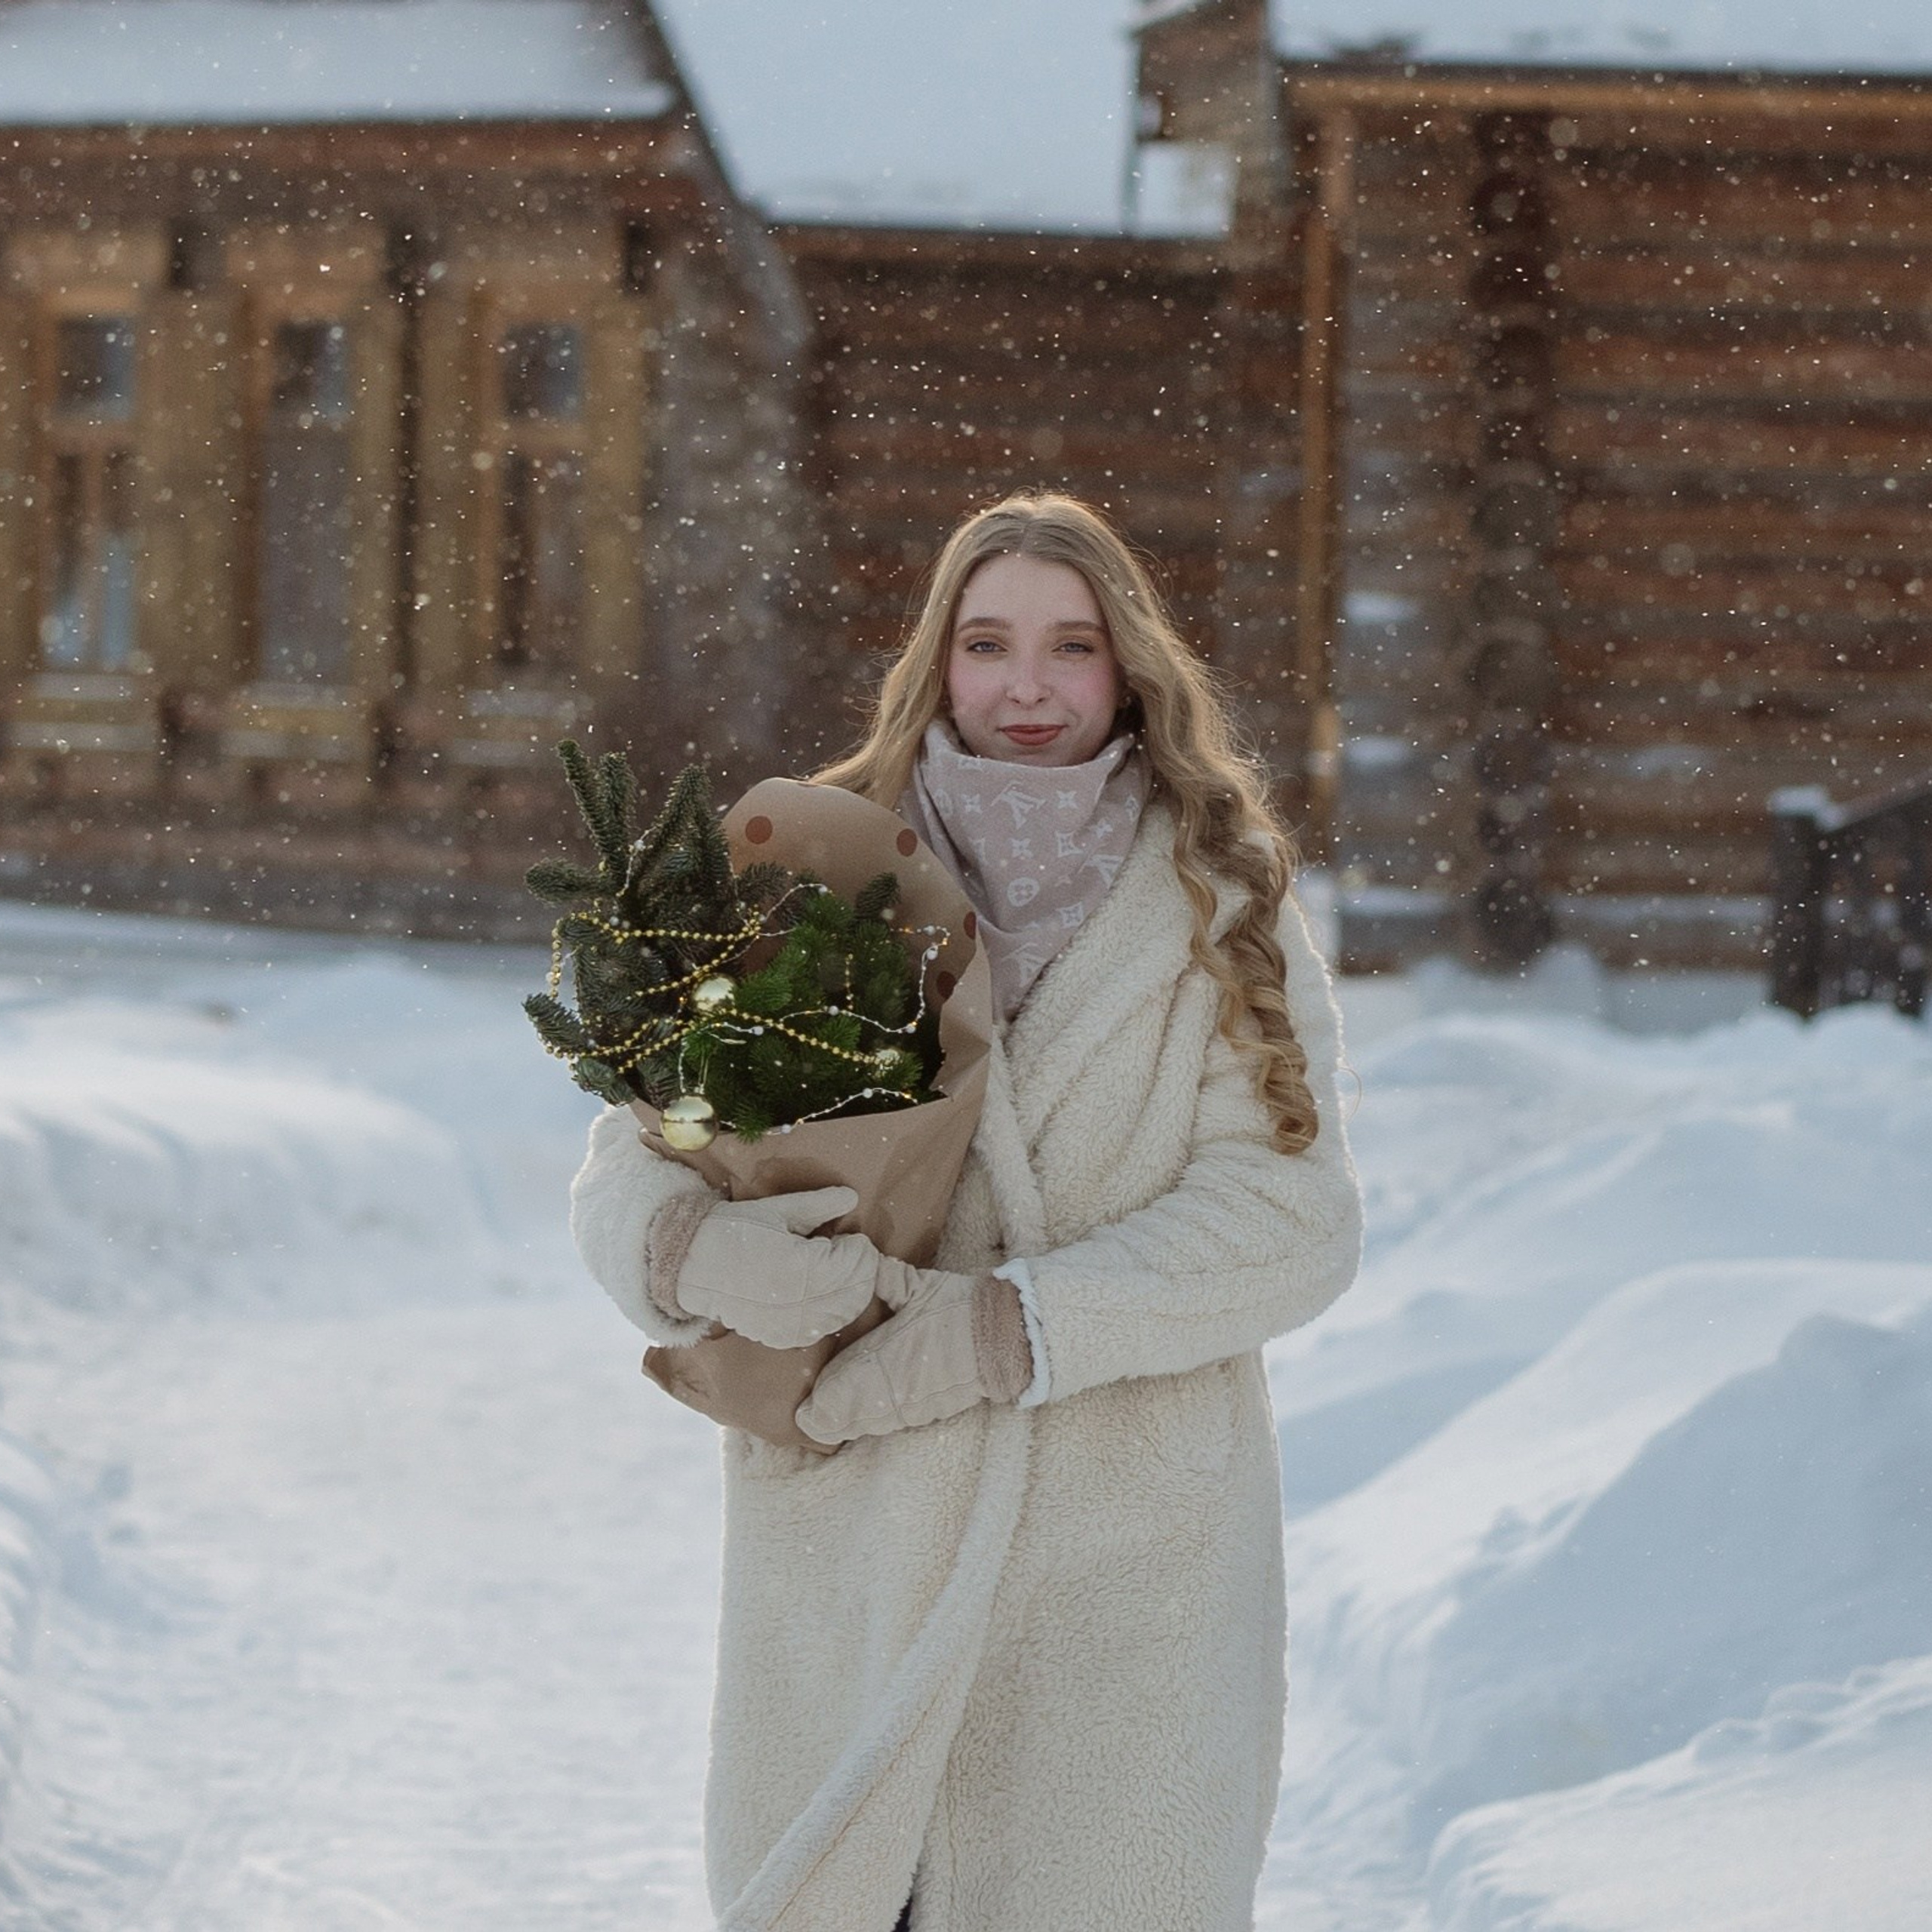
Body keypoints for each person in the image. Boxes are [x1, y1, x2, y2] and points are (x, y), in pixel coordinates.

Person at [569, 492, 1364, 1931]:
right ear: (940, 658)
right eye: (989, 643)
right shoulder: (817, 862)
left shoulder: (1220, 895)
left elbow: (1292, 1217)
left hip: (1125, 1564)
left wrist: (1013, 1329)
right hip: (854, 1538)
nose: (1028, 686)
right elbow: (642, 1143)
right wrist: (696, 1250)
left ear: (1130, 666)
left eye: (1073, 646)